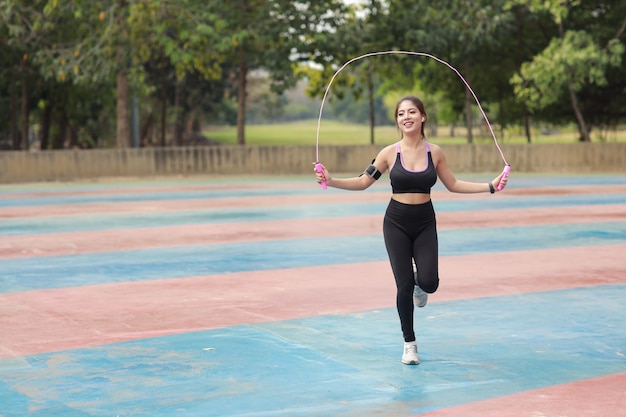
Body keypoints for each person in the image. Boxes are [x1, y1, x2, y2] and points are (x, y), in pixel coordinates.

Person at [314, 95, 508, 365]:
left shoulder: (435, 152)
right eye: (401, 113)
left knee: (429, 282)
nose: (406, 117)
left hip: (425, 221)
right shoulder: (388, 153)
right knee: (402, 285)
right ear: (397, 120)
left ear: (423, 116)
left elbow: (452, 184)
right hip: (395, 222)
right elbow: (362, 182)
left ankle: (421, 284)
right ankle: (409, 343)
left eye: (412, 112)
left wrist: (490, 186)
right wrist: (331, 180)